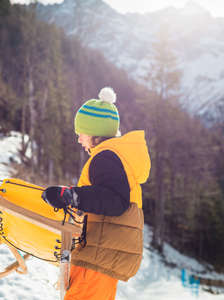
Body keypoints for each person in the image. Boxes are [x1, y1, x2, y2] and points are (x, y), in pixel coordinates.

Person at [41, 87, 151, 300]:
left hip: (99, 255)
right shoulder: (113, 156)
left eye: (80, 133)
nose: (79, 140)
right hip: (102, 252)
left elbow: (115, 201)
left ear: (94, 133)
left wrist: (71, 196)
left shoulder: (106, 158)